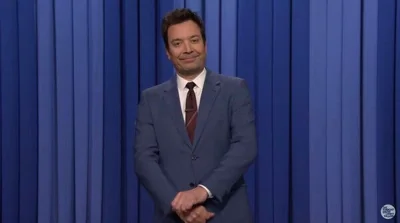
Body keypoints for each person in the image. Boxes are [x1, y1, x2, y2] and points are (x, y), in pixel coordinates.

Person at [134, 8, 258, 223]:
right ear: (167, 52)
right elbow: (144, 160)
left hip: (227, 213)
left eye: (194, 40)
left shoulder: (235, 90)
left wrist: (202, 192)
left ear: (205, 44)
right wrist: (179, 205)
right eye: (177, 43)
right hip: (173, 216)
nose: (188, 49)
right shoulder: (151, 99)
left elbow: (245, 147)